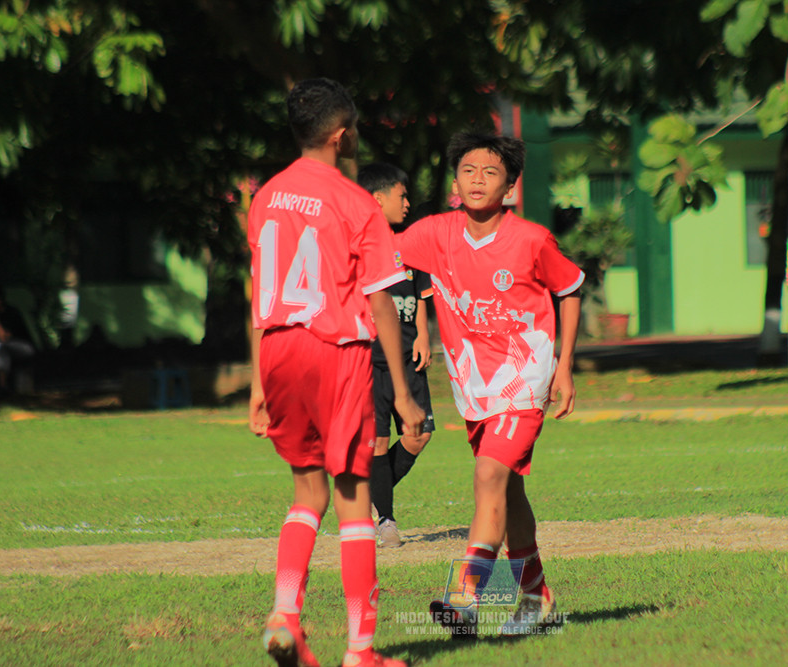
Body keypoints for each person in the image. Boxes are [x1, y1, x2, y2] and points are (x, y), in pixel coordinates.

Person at [247, 78, 422, 667]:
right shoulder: (355, 203)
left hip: (277, 351)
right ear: (342, 135)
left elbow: (260, 291)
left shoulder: (266, 196)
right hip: (335, 351)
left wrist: (254, 383)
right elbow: (380, 303)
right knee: (353, 498)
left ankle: (284, 615)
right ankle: (362, 652)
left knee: (306, 491)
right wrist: (401, 391)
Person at [393, 132, 583, 637]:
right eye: (469, 170)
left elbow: (570, 288)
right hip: (474, 388)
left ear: (511, 187)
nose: (478, 180)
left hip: (525, 380)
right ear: (455, 180)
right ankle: (537, 601)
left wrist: (563, 366)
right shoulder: (434, 234)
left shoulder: (532, 240)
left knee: (487, 477)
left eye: (491, 172)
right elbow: (377, 261)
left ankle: (466, 599)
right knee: (509, 490)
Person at [357, 162, 436, 548]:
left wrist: (424, 334)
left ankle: (363, 494)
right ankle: (386, 520)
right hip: (370, 361)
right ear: (378, 198)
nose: (408, 203)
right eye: (402, 195)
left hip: (408, 358)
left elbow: (423, 297)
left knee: (420, 435)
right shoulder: (358, 248)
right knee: (377, 442)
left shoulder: (410, 246)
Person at [0, 287, 36, 396]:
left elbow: (3, 337)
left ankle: (2, 386)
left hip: (23, 347)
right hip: (3, 349)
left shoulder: (11, 313)